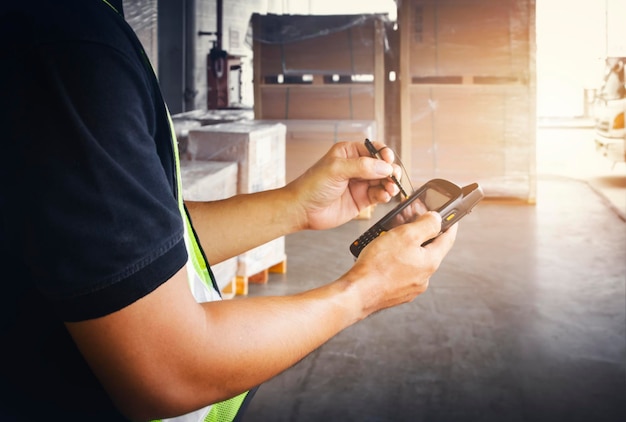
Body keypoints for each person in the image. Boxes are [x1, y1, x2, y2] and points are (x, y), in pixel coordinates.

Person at [0, 1, 457, 421]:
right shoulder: (67, 46)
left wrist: (296, 205)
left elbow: (130, 249)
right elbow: (169, 368)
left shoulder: (73, 28)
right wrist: (364, 291)